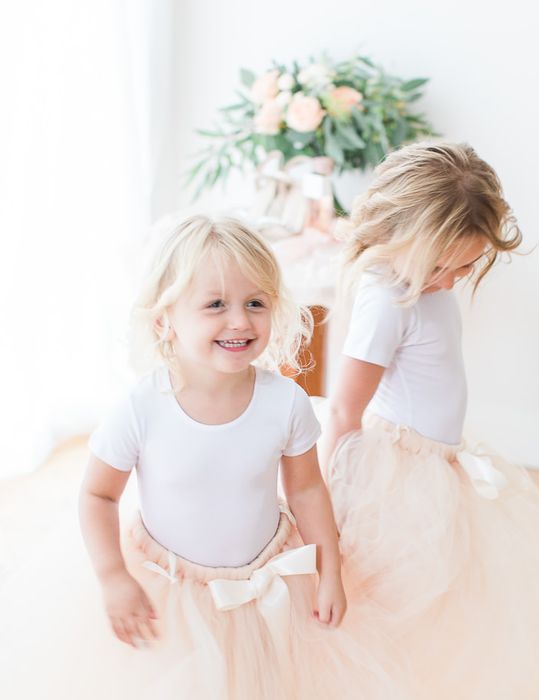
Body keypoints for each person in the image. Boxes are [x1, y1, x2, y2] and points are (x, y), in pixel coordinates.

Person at [1, 215, 401, 700]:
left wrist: (329, 568)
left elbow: (306, 488)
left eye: (256, 303)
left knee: (264, 681)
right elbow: (97, 493)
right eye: (215, 305)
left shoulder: (285, 402)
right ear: (163, 321)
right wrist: (113, 577)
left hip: (264, 581)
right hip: (170, 591)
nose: (240, 320)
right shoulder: (142, 407)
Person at [318, 142, 539, 699]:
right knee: (395, 601)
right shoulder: (386, 299)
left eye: (468, 264)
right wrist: (329, 510)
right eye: (442, 265)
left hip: (442, 467)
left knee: (450, 604)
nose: (454, 278)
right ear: (396, 237)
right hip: (398, 481)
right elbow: (344, 409)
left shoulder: (426, 287)